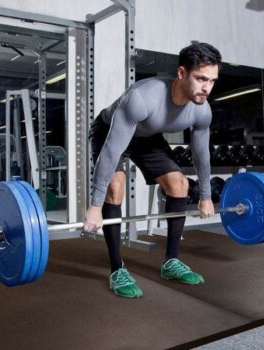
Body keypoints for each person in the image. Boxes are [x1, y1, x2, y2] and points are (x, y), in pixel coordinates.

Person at [84, 41, 222, 298]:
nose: (207, 88)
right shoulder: (143, 98)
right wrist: (94, 206)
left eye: (213, 80)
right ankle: (117, 269)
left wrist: (205, 195)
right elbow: (112, 150)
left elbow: (201, 154)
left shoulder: (202, 111)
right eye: (201, 78)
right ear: (181, 73)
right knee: (115, 189)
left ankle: (171, 262)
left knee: (179, 184)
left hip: (146, 136)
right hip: (111, 130)